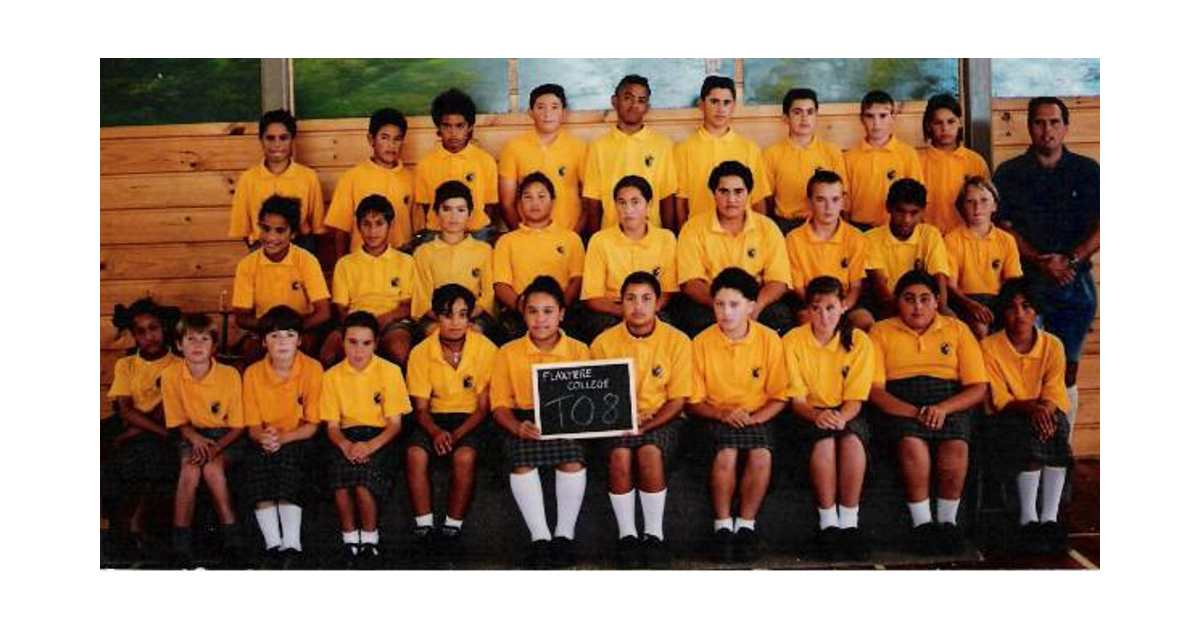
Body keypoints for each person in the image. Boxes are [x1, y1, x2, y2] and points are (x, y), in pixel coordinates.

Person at [993, 96, 1099, 436]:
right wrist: (1040, 260)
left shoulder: (1087, 170)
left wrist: (1070, 259)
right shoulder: (1010, 173)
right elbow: (1004, 228)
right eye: (1039, 122)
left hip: (1075, 281)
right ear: (1029, 127)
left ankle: (1060, 453)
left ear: (1066, 127)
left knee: (1065, 370)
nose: (1047, 130)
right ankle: (1031, 455)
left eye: (1054, 122)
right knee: (1029, 373)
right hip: (1027, 285)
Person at [868, 270, 987, 555]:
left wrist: (943, 408)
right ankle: (922, 526)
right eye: (909, 299)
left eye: (924, 299)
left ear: (936, 301)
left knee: (956, 445)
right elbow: (874, 391)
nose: (917, 307)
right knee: (912, 445)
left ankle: (947, 524)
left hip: (948, 402)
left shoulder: (957, 330)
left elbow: (978, 386)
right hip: (901, 404)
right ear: (898, 302)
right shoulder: (880, 331)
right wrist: (912, 412)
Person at [590, 271, 692, 568]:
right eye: (630, 299)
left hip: (663, 419)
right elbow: (600, 396)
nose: (638, 306)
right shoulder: (603, 343)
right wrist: (623, 417)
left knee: (649, 453)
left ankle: (654, 535)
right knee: (620, 455)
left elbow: (678, 400)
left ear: (659, 303)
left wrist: (647, 423)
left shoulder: (678, 341)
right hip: (617, 420)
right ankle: (627, 537)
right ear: (620, 303)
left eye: (646, 298)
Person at [687, 267, 788, 563]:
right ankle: (722, 527)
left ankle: (745, 526)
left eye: (734, 305)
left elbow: (781, 395)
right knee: (727, 453)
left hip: (757, 415)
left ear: (751, 306)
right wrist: (720, 412)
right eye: (720, 304)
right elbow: (693, 401)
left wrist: (756, 418)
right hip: (715, 417)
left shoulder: (770, 340)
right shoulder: (700, 343)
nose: (726, 313)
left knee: (761, 454)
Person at [490, 276, 591, 568]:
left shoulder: (579, 350)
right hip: (524, 420)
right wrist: (517, 427)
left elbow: (588, 399)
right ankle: (540, 538)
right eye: (532, 311)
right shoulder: (507, 353)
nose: (540, 319)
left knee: (572, 457)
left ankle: (564, 536)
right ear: (523, 314)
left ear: (562, 313)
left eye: (548, 311)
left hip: (568, 420)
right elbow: (499, 405)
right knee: (521, 459)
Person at [782, 277, 875, 561]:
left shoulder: (859, 341)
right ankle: (828, 525)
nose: (824, 316)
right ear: (807, 310)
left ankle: (849, 522)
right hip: (808, 414)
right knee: (824, 444)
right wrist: (818, 416)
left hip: (846, 411)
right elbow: (796, 401)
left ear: (844, 307)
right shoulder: (793, 341)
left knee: (851, 443)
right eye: (816, 308)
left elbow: (855, 398)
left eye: (831, 308)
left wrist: (839, 418)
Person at [404, 284, 498, 562]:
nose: (455, 323)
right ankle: (424, 528)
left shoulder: (486, 349)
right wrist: (435, 432)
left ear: (471, 318)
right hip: (433, 418)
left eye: (462, 315)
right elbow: (420, 409)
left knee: (465, 456)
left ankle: (451, 528)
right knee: (414, 454)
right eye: (447, 315)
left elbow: (483, 408)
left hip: (471, 419)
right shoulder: (421, 352)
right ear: (435, 317)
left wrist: (455, 436)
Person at [981, 278, 1073, 555]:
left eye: (1026, 307)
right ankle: (1028, 518)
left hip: (1042, 411)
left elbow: (1055, 388)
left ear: (1036, 311)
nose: (1019, 314)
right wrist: (1033, 410)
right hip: (1007, 416)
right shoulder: (989, 347)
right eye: (1011, 308)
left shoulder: (1052, 345)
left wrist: (1044, 409)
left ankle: (1049, 519)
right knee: (1031, 437)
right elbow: (998, 399)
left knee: (1055, 432)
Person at [320, 311, 410, 568]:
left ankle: (370, 540)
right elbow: (332, 426)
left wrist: (370, 446)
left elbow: (394, 425)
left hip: (380, 437)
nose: (359, 350)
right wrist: (346, 445)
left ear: (376, 343)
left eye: (366, 343)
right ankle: (350, 540)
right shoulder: (332, 376)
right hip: (345, 437)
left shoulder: (390, 372)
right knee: (340, 481)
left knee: (362, 483)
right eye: (352, 342)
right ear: (342, 342)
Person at [241, 306, 323, 567]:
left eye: (289, 335)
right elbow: (252, 426)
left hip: (298, 437)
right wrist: (264, 438)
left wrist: (283, 439)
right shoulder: (253, 374)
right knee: (258, 465)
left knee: (289, 463)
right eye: (274, 336)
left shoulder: (312, 369)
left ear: (300, 340)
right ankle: (272, 544)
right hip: (265, 438)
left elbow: (312, 425)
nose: (282, 342)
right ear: (264, 342)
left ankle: (291, 543)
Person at [162, 314, 246, 564]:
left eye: (204, 339)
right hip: (192, 434)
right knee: (189, 473)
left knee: (212, 469)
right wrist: (196, 440)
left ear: (214, 346)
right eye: (190, 339)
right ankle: (181, 546)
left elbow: (238, 426)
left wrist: (216, 447)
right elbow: (178, 421)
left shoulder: (229, 375)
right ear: (179, 345)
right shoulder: (170, 376)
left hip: (226, 437)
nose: (197, 345)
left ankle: (233, 540)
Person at [674, 160, 792, 337]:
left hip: (755, 301)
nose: (731, 199)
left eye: (738, 192)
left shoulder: (767, 228)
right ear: (714, 193)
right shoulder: (693, 228)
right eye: (724, 191)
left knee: (780, 320)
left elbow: (779, 281)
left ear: (749, 193)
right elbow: (690, 283)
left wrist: (753, 308)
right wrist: (723, 307)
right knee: (692, 321)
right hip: (710, 302)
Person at [104, 298, 182, 558]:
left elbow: (167, 411)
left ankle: (141, 527)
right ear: (134, 336)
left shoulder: (178, 365)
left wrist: (133, 433)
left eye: (154, 328)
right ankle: (120, 530)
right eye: (142, 331)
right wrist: (128, 430)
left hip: (164, 427)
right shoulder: (126, 364)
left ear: (164, 329)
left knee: (150, 454)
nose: (150, 336)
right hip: (131, 422)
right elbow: (125, 409)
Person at [580, 175, 678, 343]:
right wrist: (627, 311)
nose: (628, 209)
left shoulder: (666, 239)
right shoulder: (600, 240)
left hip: (652, 310)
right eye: (622, 202)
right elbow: (592, 297)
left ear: (648, 206)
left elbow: (668, 290)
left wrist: (645, 312)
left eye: (635, 202)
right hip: (611, 311)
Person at [323, 195, 416, 367]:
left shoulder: (406, 261)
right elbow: (340, 308)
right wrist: (360, 329)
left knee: (399, 349)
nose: (373, 232)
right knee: (329, 352)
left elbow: (408, 305)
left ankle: (396, 392)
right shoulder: (345, 263)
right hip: (354, 322)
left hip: (391, 323)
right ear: (358, 226)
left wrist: (382, 320)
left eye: (379, 223)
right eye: (366, 224)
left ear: (390, 225)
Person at [492, 172, 585, 341]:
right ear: (519, 203)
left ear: (553, 200)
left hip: (562, 313)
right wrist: (527, 310)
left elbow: (577, 280)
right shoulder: (506, 241)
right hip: (519, 313)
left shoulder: (571, 239)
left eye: (541, 196)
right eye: (528, 197)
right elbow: (501, 284)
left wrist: (555, 310)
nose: (535, 203)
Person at [582, 74, 679, 233]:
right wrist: (594, 241)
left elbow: (667, 197)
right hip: (611, 239)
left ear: (647, 107)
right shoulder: (598, 147)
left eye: (641, 101)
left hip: (652, 238)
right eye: (628, 98)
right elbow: (593, 200)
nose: (634, 105)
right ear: (614, 101)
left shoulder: (663, 145)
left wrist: (669, 238)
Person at [674, 75, 770, 225]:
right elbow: (681, 201)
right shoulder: (684, 148)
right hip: (700, 234)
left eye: (726, 102)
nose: (721, 109)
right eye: (714, 102)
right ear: (701, 104)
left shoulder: (749, 148)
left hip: (741, 235)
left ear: (733, 106)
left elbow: (758, 199)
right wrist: (683, 234)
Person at [784, 170, 873, 331]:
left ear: (843, 202)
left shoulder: (855, 237)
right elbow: (798, 287)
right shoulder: (794, 239)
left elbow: (856, 286)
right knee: (808, 322)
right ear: (809, 202)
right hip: (811, 303)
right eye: (820, 200)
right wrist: (821, 308)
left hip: (845, 304)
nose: (828, 207)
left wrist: (841, 308)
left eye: (835, 199)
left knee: (865, 322)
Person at [322, 108, 417, 258]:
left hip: (400, 262)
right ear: (371, 139)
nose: (391, 145)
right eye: (384, 138)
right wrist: (341, 265)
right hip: (362, 263)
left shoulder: (410, 179)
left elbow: (417, 230)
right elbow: (341, 230)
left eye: (397, 139)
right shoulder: (352, 178)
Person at [229, 109, 325, 254]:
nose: (277, 144)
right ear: (261, 140)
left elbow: (317, 228)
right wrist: (261, 248)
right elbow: (242, 228)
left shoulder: (308, 177)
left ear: (293, 139)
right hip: (262, 248)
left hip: (301, 247)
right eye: (270, 138)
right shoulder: (248, 179)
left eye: (283, 138)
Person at [411, 181, 498, 340]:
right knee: (435, 333)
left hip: (474, 316)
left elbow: (488, 296)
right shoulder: (424, 252)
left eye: (460, 210)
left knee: (474, 334)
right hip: (435, 318)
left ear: (469, 214)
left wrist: (462, 319)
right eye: (446, 209)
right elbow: (422, 298)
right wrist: (447, 320)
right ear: (436, 212)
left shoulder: (484, 251)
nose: (453, 216)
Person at [499, 83, 588, 234]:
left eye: (554, 107)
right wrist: (523, 236)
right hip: (528, 237)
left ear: (564, 112)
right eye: (541, 107)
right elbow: (507, 203)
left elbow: (589, 199)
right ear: (531, 112)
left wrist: (574, 237)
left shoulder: (579, 147)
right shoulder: (513, 147)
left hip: (569, 234)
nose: (548, 114)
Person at [414, 88, 499, 239]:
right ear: (438, 128)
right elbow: (427, 206)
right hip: (437, 235)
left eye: (460, 126)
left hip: (477, 234)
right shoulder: (425, 164)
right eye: (447, 126)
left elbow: (490, 205)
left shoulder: (485, 161)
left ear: (470, 127)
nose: (453, 133)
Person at [944, 176, 1022, 339]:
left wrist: (1003, 307)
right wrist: (971, 305)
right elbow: (950, 287)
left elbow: (1013, 282)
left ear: (994, 205)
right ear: (962, 207)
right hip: (965, 301)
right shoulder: (952, 239)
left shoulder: (1006, 240)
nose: (977, 207)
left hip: (999, 300)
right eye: (970, 201)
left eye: (984, 200)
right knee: (980, 327)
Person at [762, 88, 848, 235]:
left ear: (816, 116)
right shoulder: (771, 154)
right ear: (785, 118)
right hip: (785, 226)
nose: (804, 118)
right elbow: (766, 199)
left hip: (822, 226)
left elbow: (841, 194)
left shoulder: (831, 152)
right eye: (797, 112)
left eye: (810, 112)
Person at [864, 179, 951, 320]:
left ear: (923, 211)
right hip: (888, 307)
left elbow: (939, 276)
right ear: (888, 207)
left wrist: (941, 307)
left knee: (951, 320)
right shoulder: (870, 238)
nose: (906, 220)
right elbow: (881, 290)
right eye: (900, 211)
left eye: (913, 213)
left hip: (924, 306)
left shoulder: (930, 234)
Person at [845, 90, 925, 229]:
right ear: (862, 118)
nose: (876, 123)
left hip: (895, 230)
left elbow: (916, 200)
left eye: (883, 116)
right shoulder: (849, 157)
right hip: (859, 229)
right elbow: (844, 203)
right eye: (870, 116)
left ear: (892, 117)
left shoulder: (907, 154)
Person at [918, 94, 990, 234]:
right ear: (928, 126)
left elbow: (985, 205)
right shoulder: (917, 161)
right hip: (929, 240)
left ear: (960, 123)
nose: (945, 129)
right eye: (938, 123)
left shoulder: (975, 161)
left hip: (967, 239)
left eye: (951, 121)